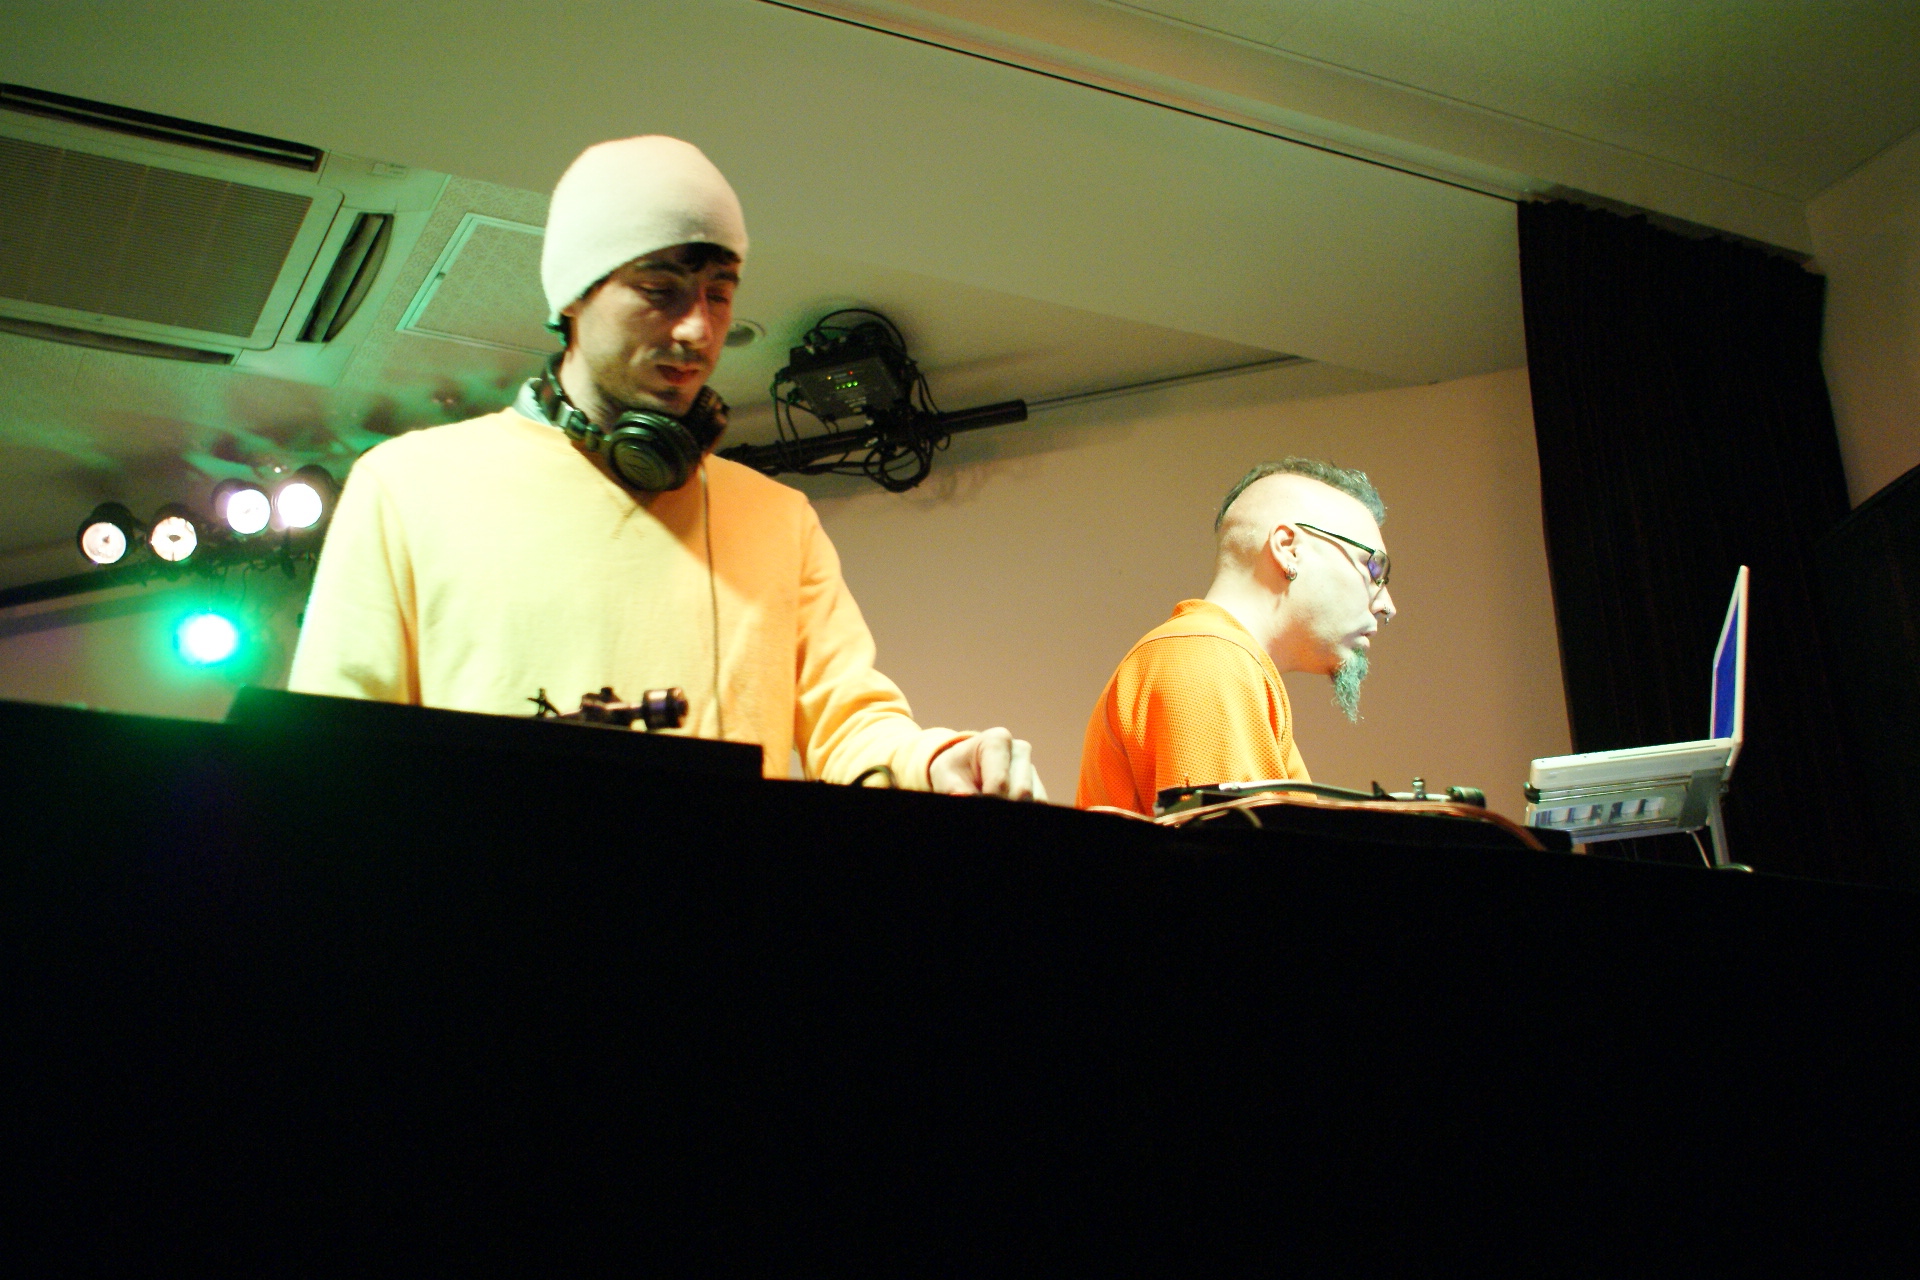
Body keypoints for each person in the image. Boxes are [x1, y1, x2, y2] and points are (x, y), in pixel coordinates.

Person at [289, 136, 1042, 799]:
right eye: (660, 292)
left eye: (719, 295)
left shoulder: (777, 520)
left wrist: (936, 761)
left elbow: (852, 728)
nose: (698, 329)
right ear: (573, 297)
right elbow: (333, 765)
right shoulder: (409, 486)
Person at [1075, 459, 1396, 814]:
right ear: (1289, 550)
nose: (1386, 605)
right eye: (1375, 568)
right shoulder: (1209, 660)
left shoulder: (1214, 656)